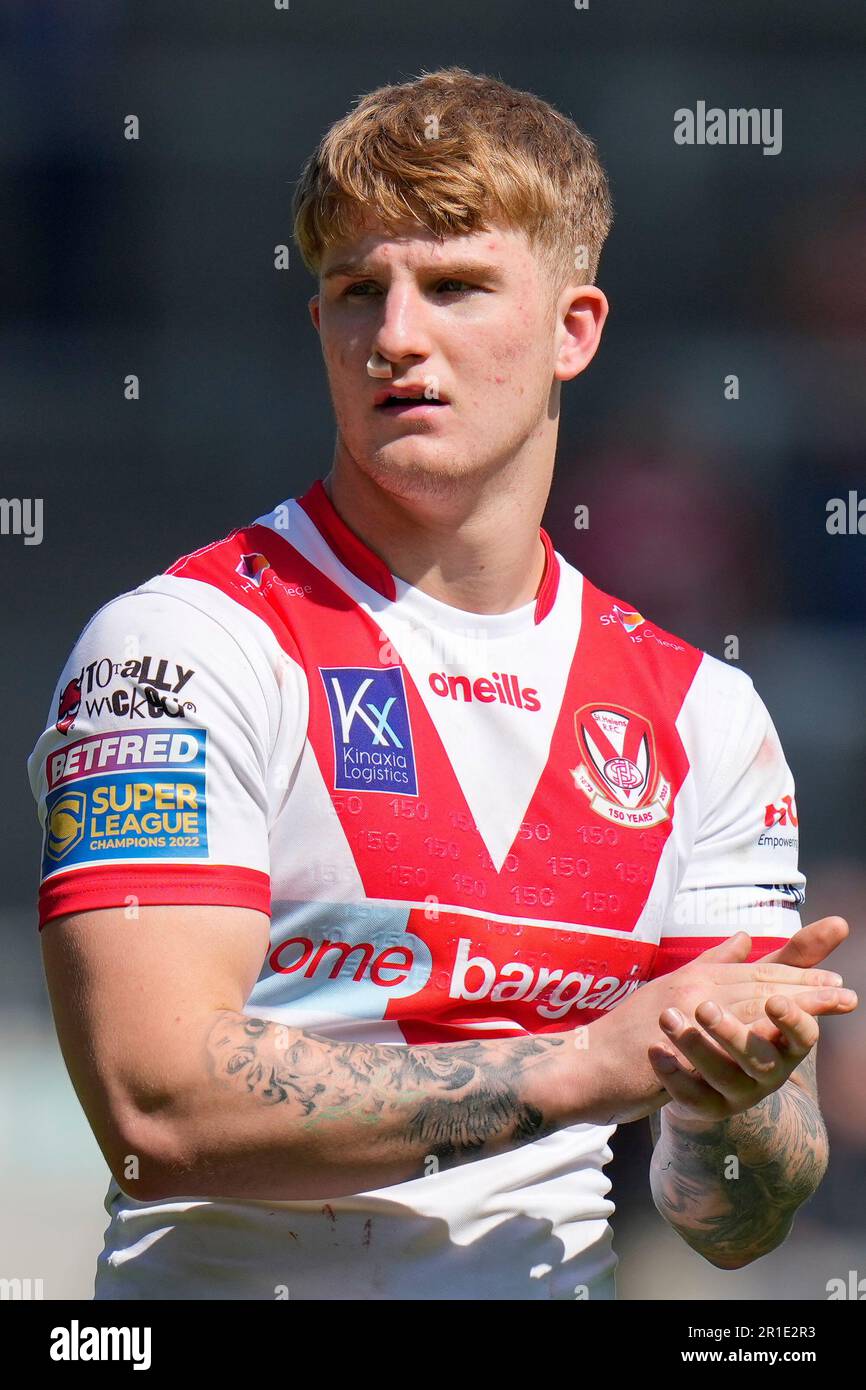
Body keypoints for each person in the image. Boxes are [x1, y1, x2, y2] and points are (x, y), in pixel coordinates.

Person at [27, 67, 856, 1301]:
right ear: (319, 326)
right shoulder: (178, 649)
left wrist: (726, 1104)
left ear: (575, 329)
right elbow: (158, 1116)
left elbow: (727, 1223)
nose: (397, 337)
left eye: (457, 287)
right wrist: (577, 1066)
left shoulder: (701, 715)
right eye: (358, 292)